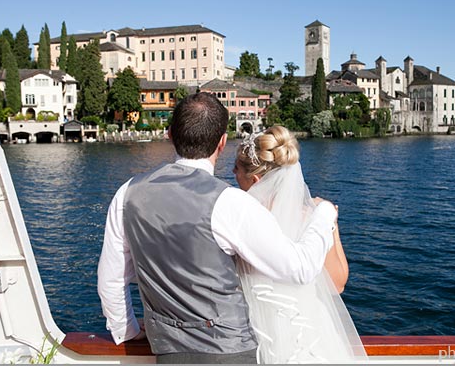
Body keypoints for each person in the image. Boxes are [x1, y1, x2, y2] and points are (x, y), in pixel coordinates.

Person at [97, 92, 338, 364]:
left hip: (168, 352)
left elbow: (111, 279)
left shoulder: (126, 194)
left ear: (170, 135)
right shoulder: (230, 202)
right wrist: (324, 214)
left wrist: (125, 329)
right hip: (231, 352)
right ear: (222, 143)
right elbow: (300, 268)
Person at [232, 126, 369, 363]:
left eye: (236, 169)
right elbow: (337, 284)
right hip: (311, 332)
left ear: (254, 180)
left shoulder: (237, 220)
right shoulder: (312, 217)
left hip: (253, 333)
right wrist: (331, 226)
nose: (232, 174)